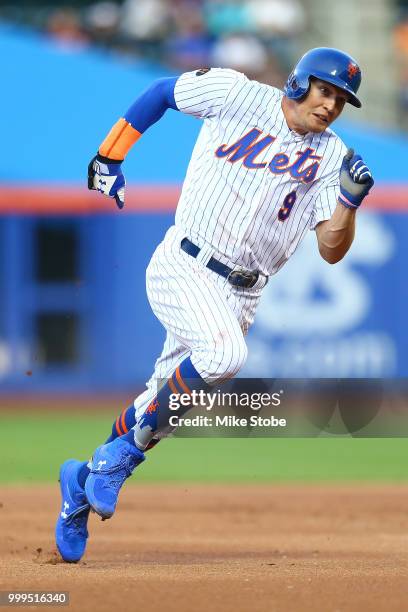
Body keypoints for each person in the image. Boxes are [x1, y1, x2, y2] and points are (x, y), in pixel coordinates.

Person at [55, 47, 374, 562]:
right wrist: (110, 155)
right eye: (325, 90)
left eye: (341, 99)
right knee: (225, 356)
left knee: (163, 405)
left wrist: (349, 202)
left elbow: (332, 250)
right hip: (186, 261)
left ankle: (81, 485)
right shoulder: (237, 94)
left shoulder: (334, 157)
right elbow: (162, 93)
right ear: (299, 82)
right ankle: (117, 459)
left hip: (245, 290)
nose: (331, 105)